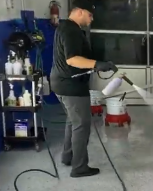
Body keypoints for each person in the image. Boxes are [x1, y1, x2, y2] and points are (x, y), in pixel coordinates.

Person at [50, 0, 117, 178]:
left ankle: (68, 156)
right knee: (81, 125)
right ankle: (79, 167)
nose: (92, 19)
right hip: (71, 86)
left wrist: (98, 63)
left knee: (73, 121)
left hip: (62, 83)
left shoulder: (66, 28)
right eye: (90, 15)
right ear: (79, 12)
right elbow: (72, 60)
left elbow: (77, 56)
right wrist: (97, 64)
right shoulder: (71, 30)